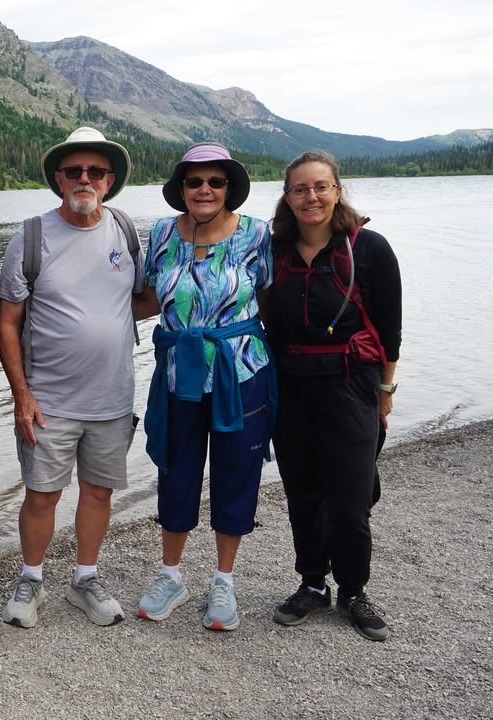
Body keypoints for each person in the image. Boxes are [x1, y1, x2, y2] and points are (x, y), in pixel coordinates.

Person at [0, 127, 148, 628]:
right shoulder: (32, 236)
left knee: (99, 491)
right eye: (74, 171)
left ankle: (85, 579)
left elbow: (140, 301)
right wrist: (21, 395)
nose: (85, 178)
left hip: (113, 396)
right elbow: (8, 321)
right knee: (42, 494)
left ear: (109, 181)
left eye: (96, 171)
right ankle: (31, 578)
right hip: (49, 400)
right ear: (59, 179)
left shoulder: (125, 231)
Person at [136, 142, 275, 632]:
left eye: (215, 182)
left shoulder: (257, 234)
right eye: (194, 181)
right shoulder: (158, 235)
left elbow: (273, 297)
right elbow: (146, 299)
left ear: (229, 188)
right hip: (179, 374)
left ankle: (223, 580)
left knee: (236, 472)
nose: (205, 189)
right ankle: (171, 575)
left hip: (242, 374)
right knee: (176, 471)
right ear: (180, 188)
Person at [266, 150, 401, 641]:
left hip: (351, 385)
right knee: (302, 493)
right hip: (291, 385)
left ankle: (354, 590)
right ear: (287, 197)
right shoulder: (275, 250)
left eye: (320, 187)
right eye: (300, 189)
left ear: (337, 190)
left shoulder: (369, 248)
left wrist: (385, 391)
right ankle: (311, 584)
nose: (311, 197)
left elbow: (390, 331)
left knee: (349, 498)